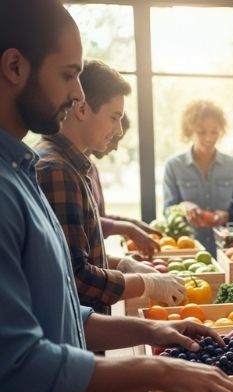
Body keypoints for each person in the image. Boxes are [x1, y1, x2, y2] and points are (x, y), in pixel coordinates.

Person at [0, 1, 233, 392]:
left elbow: (61, 314)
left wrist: (156, 336)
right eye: (69, 74)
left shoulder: (23, 171)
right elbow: (19, 367)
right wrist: (157, 373)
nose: (77, 94)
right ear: (15, 67)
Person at [35, 59, 185, 315]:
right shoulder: (57, 171)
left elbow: (76, 257)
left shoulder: (72, 166)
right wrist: (144, 284)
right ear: (82, 109)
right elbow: (76, 278)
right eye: (114, 118)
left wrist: (123, 264)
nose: (117, 130)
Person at [163, 100, 233, 255]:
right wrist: (184, 207)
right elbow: (167, 211)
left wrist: (228, 215)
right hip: (188, 251)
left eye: (214, 131)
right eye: (201, 132)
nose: (209, 138)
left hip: (227, 251)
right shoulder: (174, 166)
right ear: (189, 131)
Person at [89, 114, 163, 258]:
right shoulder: (63, 167)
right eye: (113, 139)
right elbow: (86, 223)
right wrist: (128, 228)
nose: (115, 147)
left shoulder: (91, 167)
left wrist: (133, 224)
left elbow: (97, 217)